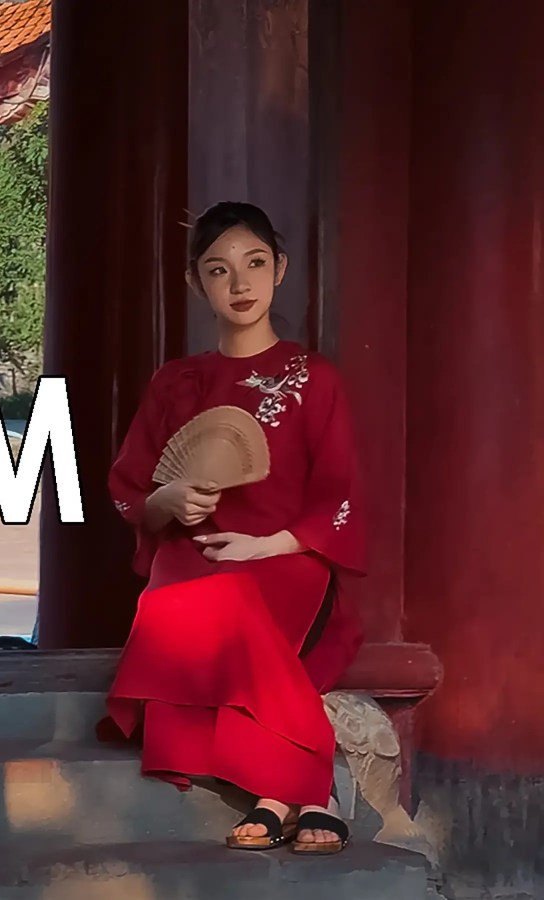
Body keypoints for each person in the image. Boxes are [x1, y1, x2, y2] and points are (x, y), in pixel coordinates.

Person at [105, 201, 365, 855]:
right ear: (199, 284)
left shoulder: (314, 377)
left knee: (237, 597)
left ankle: (276, 792)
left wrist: (267, 543)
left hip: (286, 553)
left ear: (279, 269)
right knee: (196, 594)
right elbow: (132, 493)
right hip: (194, 557)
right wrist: (172, 499)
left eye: (254, 264)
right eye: (219, 271)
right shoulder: (176, 383)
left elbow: (340, 491)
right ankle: (311, 791)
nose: (240, 284)